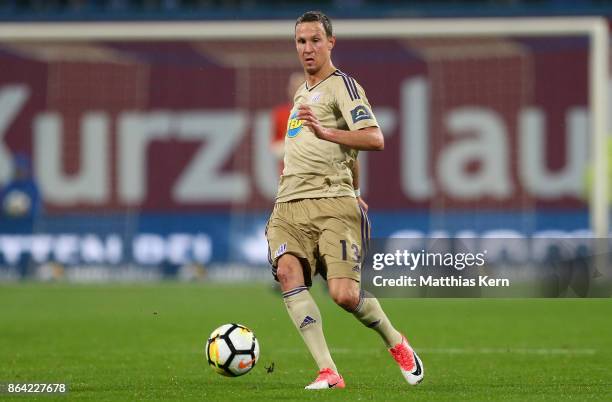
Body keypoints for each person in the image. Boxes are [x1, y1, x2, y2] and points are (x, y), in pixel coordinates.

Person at [265, 11, 424, 389]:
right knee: (288, 272)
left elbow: (373, 139)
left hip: (331, 202)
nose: (308, 48)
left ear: (331, 43)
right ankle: (328, 371)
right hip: (289, 204)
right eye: (301, 41)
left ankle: (395, 340)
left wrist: (327, 136)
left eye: (315, 40)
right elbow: (345, 158)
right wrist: (356, 185)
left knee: (344, 295)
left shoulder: (344, 87)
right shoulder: (300, 93)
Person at [271, 71, 305, 174]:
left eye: (300, 86)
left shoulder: (318, 111)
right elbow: (275, 148)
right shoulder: (280, 113)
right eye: (294, 87)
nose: (297, 90)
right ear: (289, 89)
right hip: (287, 175)